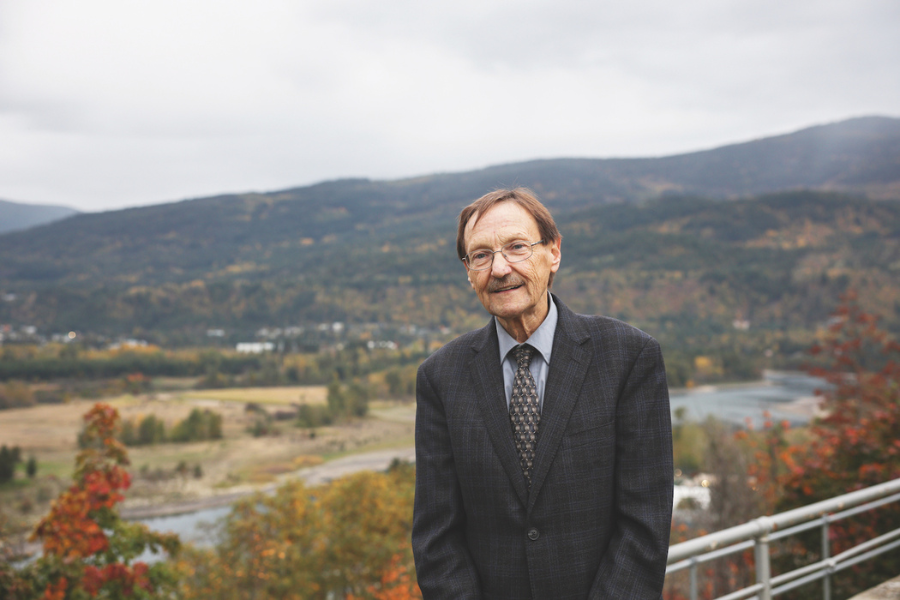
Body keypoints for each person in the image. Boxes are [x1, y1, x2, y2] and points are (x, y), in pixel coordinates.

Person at [412, 188, 673, 599]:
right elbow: (436, 536)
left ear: (553, 252)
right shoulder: (439, 377)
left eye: (516, 247)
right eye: (480, 255)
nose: (499, 268)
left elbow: (645, 521)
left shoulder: (629, 357)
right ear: (468, 271)